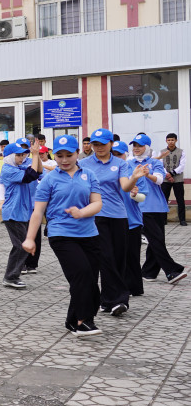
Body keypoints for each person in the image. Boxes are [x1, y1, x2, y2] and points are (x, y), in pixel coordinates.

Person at [23, 135, 104, 337]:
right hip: (61, 234)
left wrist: (82, 212)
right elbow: (38, 212)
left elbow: (97, 203)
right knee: (82, 274)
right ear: (54, 156)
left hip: (89, 233)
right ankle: (82, 321)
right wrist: (30, 238)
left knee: (91, 278)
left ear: (78, 153)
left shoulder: (89, 175)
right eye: (60, 156)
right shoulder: (49, 179)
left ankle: (73, 319)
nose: (65, 160)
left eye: (69, 155)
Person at [79, 129, 149, 317]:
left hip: (118, 216)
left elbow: (125, 186)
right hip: (95, 215)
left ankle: (107, 301)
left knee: (119, 258)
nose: (99, 147)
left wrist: (135, 176)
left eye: (102, 144)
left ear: (111, 143)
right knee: (106, 256)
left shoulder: (120, 164)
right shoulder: (83, 163)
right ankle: (119, 299)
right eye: (95, 144)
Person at [129, 134, 188, 284]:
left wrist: (148, 175)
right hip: (141, 207)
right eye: (134, 145)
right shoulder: (129, 164)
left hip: (158, 207)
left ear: (147, 147)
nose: (136, 148)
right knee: (155, 240)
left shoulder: (154, 163)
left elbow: (160, 180)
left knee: (158, 239)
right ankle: (171, 271)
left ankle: (149, 272)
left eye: (140, 145)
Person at [0, 141, 42, 289]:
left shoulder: (20, 166)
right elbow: (30, 176)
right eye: (17, 155)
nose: (21, 158)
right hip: (13, 212)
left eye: (23, 154)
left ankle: (12, 276)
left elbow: (37, 171)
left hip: (22, 212)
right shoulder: (8, 170)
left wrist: (37, 155)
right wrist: (35, 155)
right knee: (21, 245)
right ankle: (10, 277)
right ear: (9, 157)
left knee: (21, 245)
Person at [112, 141, 146, 296]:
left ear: (126, 154)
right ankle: (121, 287)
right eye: (114, 154)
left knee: (132, 256)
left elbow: (142, 197)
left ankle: (135, 288)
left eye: (119, 154)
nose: (117, 157)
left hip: (132, 221)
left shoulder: (136, 170)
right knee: (117, 257)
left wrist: (134, 194)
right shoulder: (109, 170)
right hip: (113, 219)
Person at [157, 133, 186, 226]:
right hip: (165, 179)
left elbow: (182, 165)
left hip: (178, 179)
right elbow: (160, 165)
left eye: (172, 140)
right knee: (164, 199)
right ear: (166, 141)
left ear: (176, 140)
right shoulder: (162, 152)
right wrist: (167, 175)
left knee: (180, 199)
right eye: (169, 140)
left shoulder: (181, 152)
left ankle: (182, 220)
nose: (171, 142)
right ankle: (163, 219)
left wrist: (172, 173)